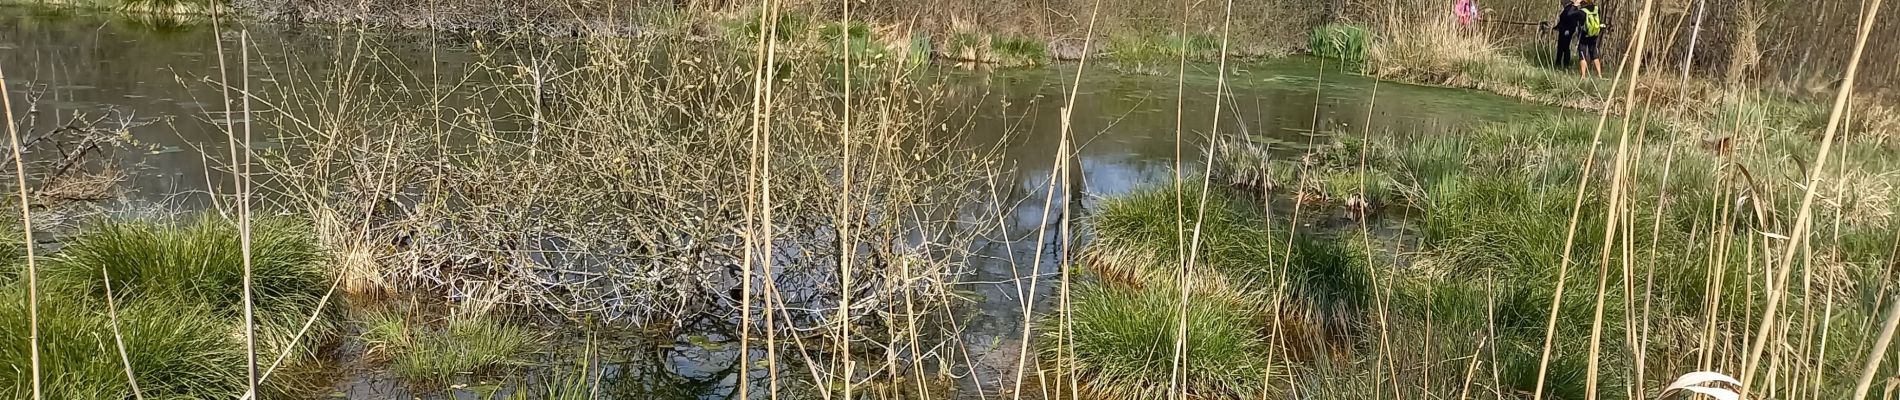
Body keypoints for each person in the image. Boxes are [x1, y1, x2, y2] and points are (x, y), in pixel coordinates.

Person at [1576, 0, 1609, 77]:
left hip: (1584, 35)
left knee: (1582, 55)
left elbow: (1580, 23)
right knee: (1594, 54)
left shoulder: (1581, 11)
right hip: (1594, 34)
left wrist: (1575, 6)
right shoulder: (1596, 8)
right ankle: (1599, 74)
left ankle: (1583, 76)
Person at [1553, 0, 1583, 67]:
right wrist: (1556, 27)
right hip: (1562, 30)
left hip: (1567, 31)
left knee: (1565, 47)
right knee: (1560, 47)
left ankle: (1566, 64)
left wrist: (1568, 30)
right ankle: (1558, 63)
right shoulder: (1566, 8)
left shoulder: (1572, 8)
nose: (1561, 3)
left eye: (1562, 2)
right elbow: (1563, 20)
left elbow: (1572, 20)